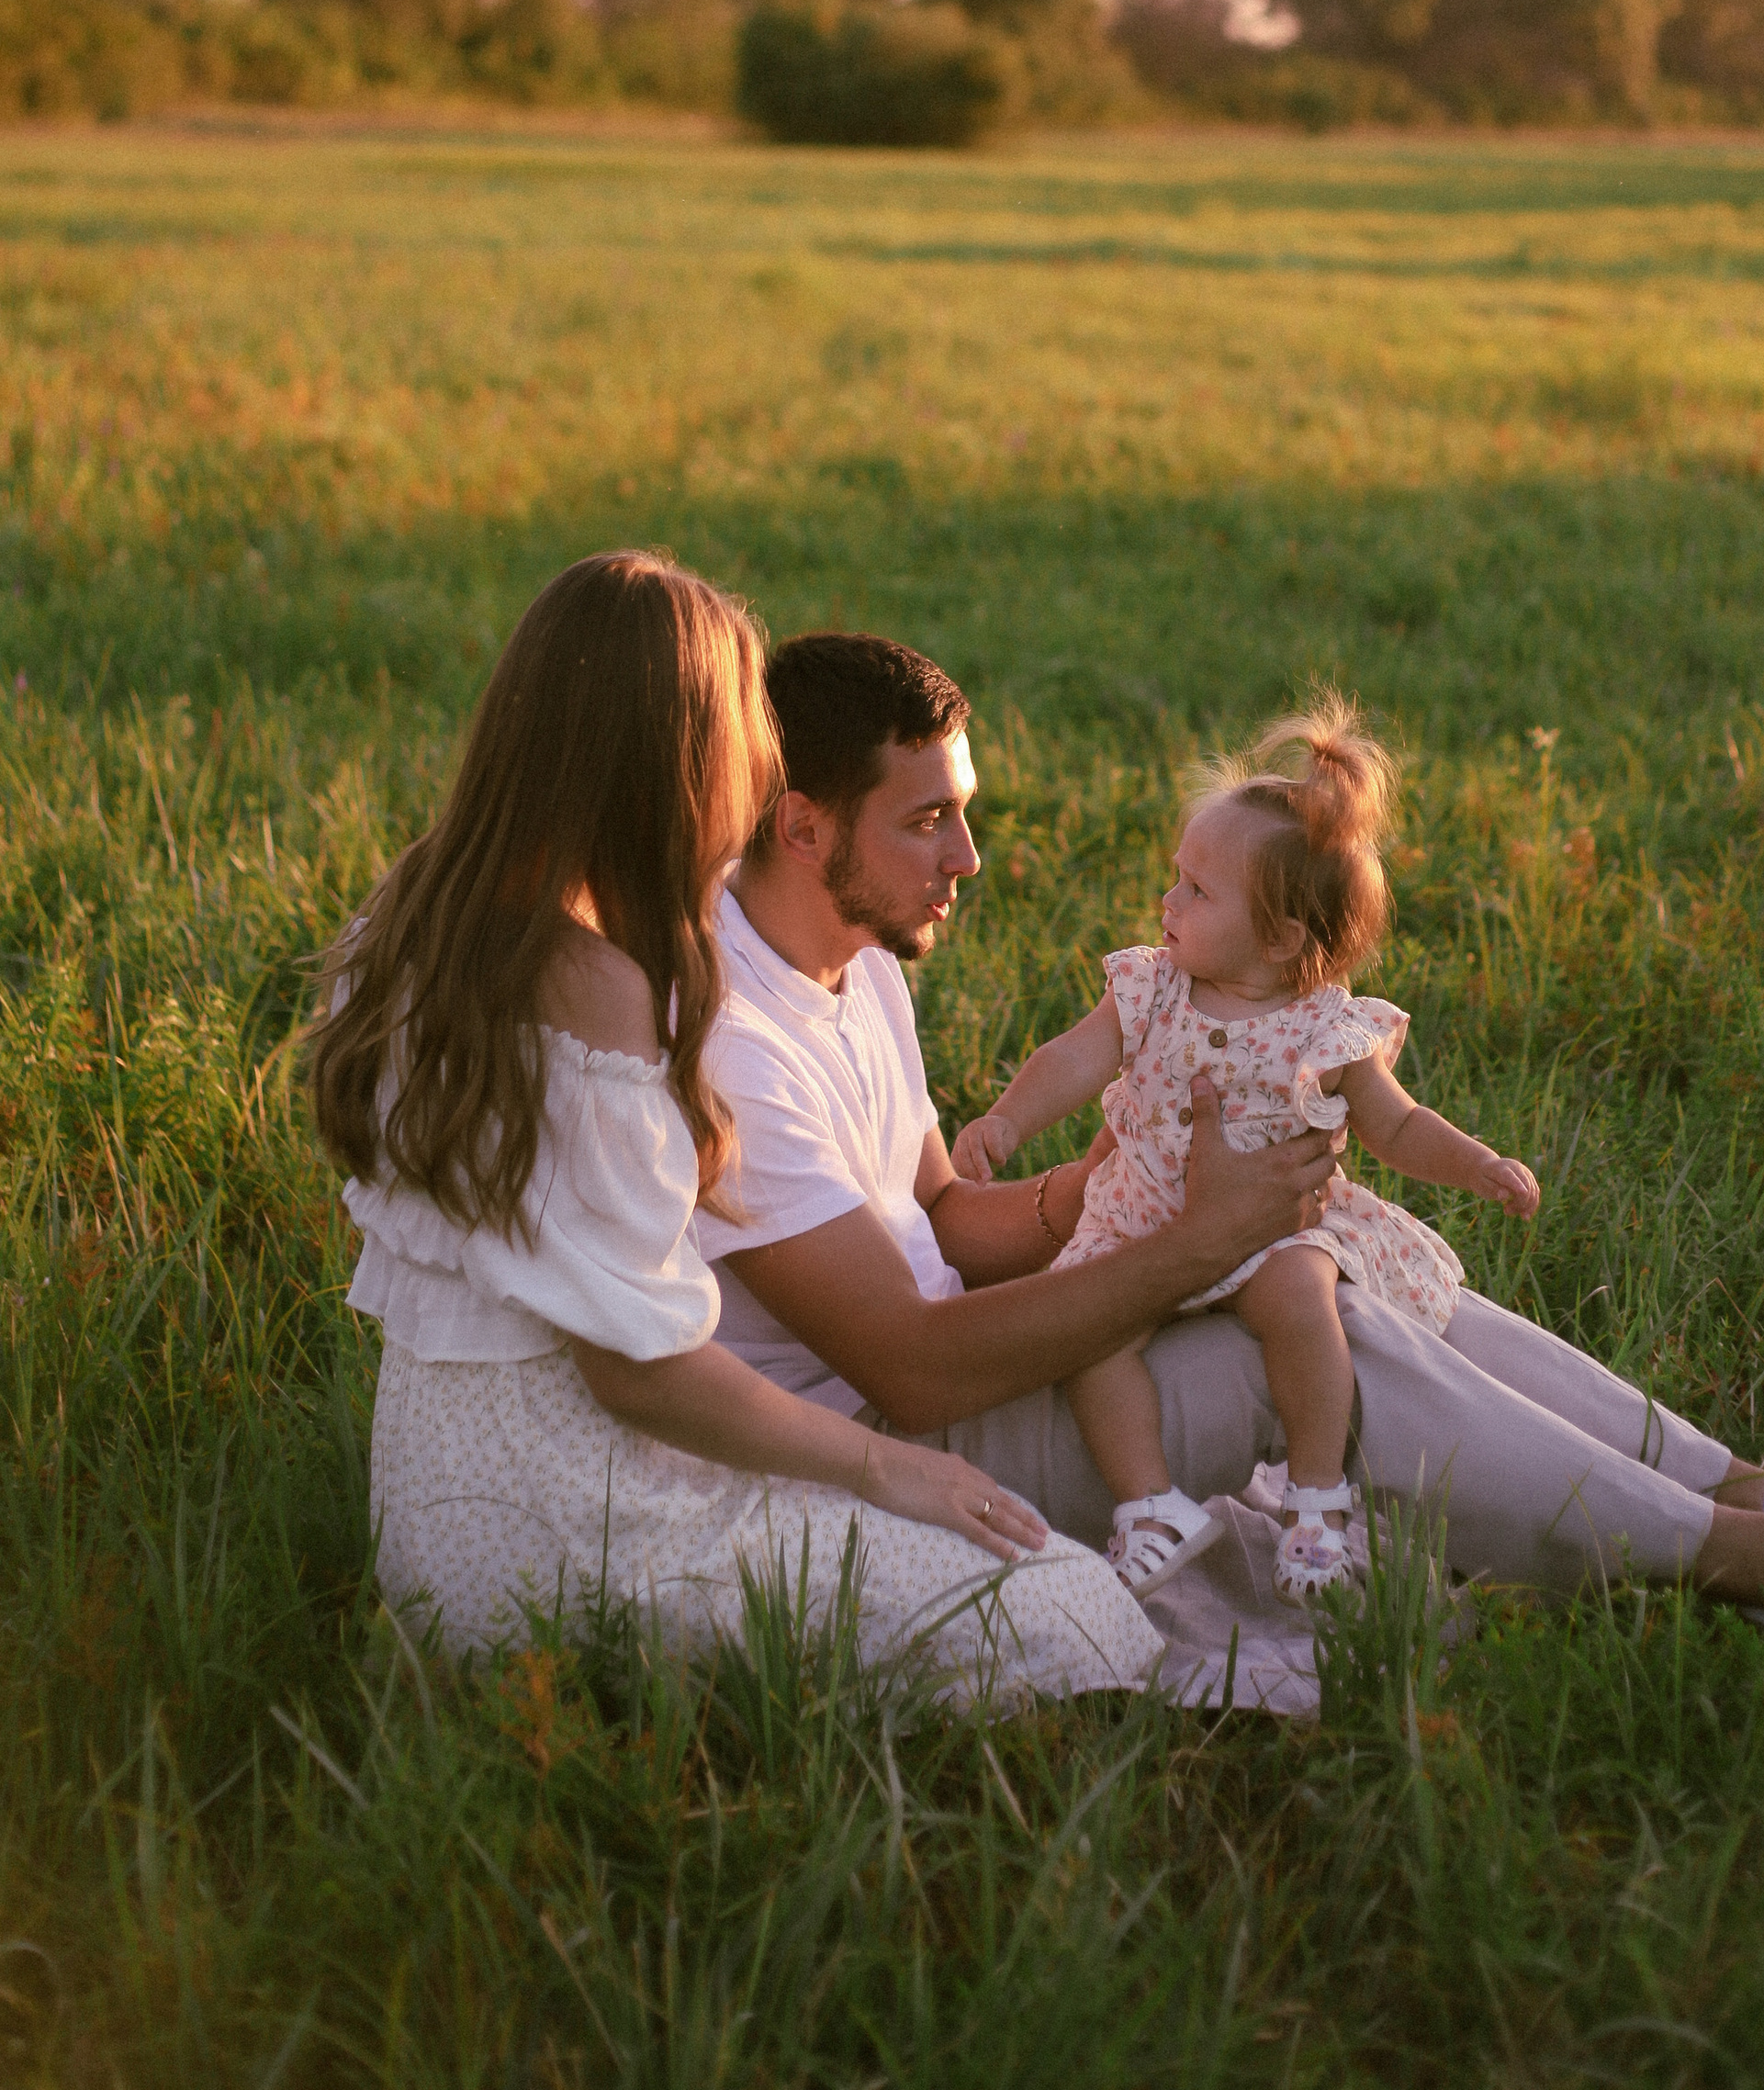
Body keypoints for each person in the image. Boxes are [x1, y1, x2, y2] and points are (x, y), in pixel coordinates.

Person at [702, 631, 1764, 1618]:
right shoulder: (732, 1043)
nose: (970, 860)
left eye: (967, 812)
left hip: (977, 1357)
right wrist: (1191, 1244)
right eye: (931, 820)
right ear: (808, 829)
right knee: (1302, 1322)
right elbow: (916, 1366)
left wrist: (1093, 1188)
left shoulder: (855, 957)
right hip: (890, 1453)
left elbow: (941, 1219)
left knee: (1355, 1270)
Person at [309, 553, 1159, 1703]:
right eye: (738, 731)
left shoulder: (415, 910)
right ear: (671, 760)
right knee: (1077, 1618)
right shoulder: (593, 985)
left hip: (435, 1506)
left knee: (1037, 1591)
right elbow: (639, 1376)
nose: (761, 767)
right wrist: (883, 1468)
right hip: (587, 1523)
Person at [951, 696, 1544, 1599]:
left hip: (1271, 1223)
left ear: (1280, 939)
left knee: (1302, 1302)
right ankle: (1148, 1504)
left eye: (1195, 891)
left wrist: (1477, 1164)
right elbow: (1072, 1058)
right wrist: (1006, 1119)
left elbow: (1397, 1125)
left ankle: (1316, 1501)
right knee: (1087, 1337)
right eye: (1175, 877)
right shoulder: (1150, 988)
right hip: (1141, 1214)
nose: (1167, 902)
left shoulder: (1324, 1031)